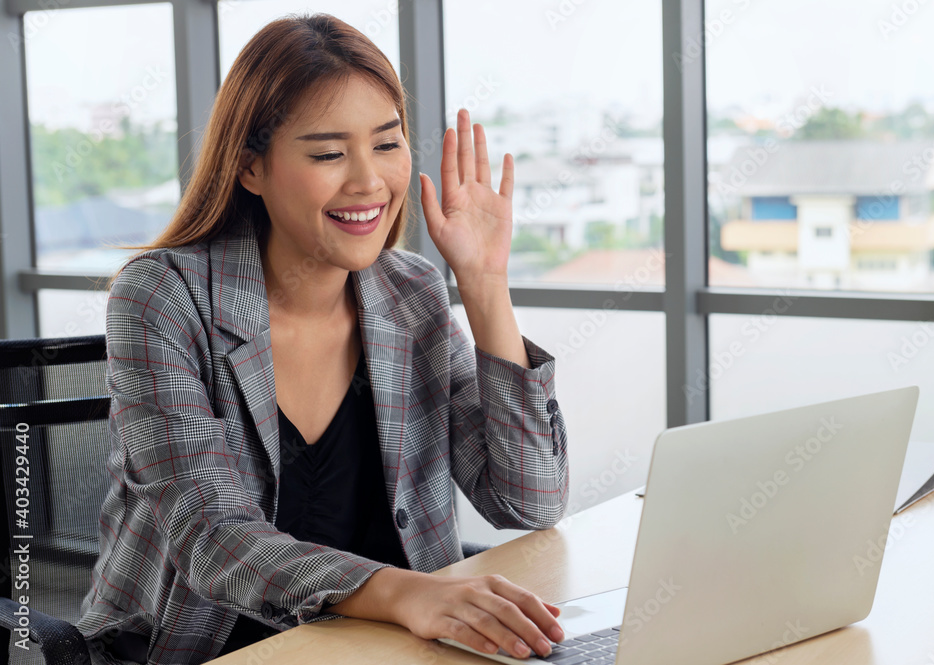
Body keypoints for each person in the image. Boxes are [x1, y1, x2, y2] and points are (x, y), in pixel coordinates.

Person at [76, 12, 570, 665]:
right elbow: (212, 540)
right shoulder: (162, 297)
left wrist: (483, 283)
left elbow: (527, 497)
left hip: (388, 646)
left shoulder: (411, 294)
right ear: (251, 168)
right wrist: (405, 593)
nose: (368, 181)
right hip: (205, 647)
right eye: (329, 153)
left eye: (387, 144)